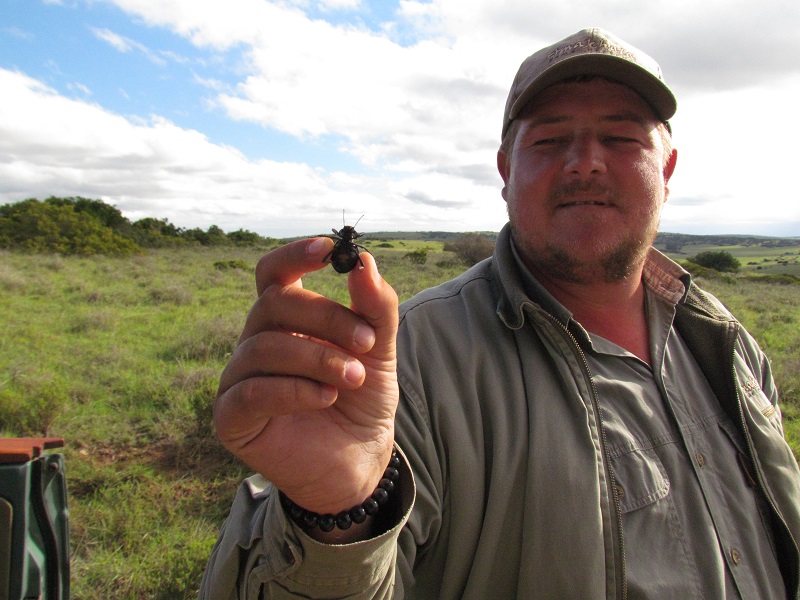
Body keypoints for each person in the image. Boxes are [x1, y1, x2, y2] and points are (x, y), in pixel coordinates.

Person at [200, 28, 800, 599]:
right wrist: (334, 515)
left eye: (622, 138)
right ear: (507, 172)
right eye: (548, 140)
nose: (585, 162)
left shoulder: (726, 341)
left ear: (666, 170)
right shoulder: (392, 369)